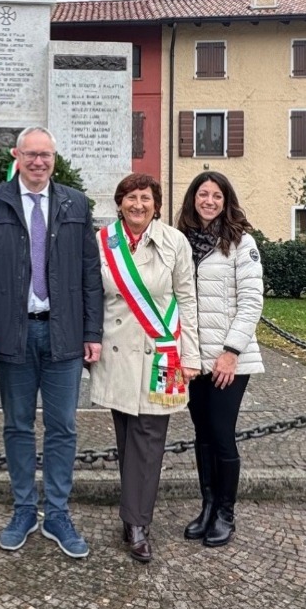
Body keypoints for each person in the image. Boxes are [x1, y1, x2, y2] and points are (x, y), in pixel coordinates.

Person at [0, 126, 103, 559]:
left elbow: (89, 275)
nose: (39, 162)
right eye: (31, 154)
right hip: (13, 334)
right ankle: (24, 509)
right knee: (17, 426)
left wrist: (92, 333)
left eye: (46, 155)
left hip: (64, 333)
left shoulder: (75, 203)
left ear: (54, 159)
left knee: (63, 427)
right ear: (16, 155)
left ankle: (57, 513)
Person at [89, 173, 200, 563]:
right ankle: (132, 512)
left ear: (157, 203)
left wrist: (191, 356)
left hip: (162, 353)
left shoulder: (174, 242)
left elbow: (188, 299)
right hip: (117, 354)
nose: (138, 204)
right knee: (126, 437)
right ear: (119, 203)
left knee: (149, 439)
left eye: (146, 198)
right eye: (131, 198)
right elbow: (92, 297)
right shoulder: (102, 243)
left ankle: (138, 523)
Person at [175, 171, 264, 548]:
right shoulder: (181, 241)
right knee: (202, 436)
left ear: (226, 201)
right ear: (193, 198)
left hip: (229, 360)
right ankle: (208, 506)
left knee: (222, 435)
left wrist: (231, 352)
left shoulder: (241, 243)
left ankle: (226, 513)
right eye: (202, 194)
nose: (209, 201)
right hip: (194, 359)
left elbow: (252, 302)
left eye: (216, 196)